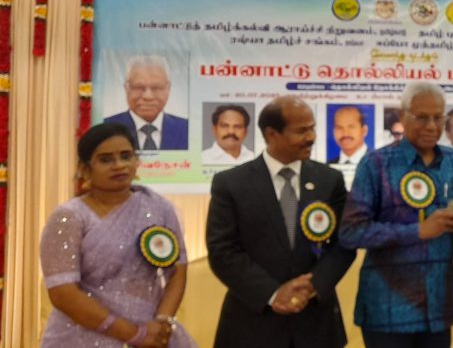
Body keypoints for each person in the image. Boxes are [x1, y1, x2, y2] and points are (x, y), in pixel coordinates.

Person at [206, 96, 355, 348]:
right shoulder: (231, 184)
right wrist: (273, 293)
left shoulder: (330, 180)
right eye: (301, 131)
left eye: (312, 128)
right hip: (252, 325)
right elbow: (223, 251)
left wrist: (313, 285)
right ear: (272, 134)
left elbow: (344, 243)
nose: (311, 137)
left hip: (316, 324)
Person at [40, 123, 196, 348]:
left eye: (126, 156)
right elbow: (62, 292)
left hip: (152, 337)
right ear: (84, 168)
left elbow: (177, 273)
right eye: (106, 160)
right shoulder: (69, 217)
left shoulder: (159, 208)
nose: (119, 165)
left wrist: (161, 325)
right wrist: (134, 334)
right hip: (81, 336)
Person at [338, 82, 453, 348]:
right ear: (402, 116)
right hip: (387, 311)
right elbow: (351, 232)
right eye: (422, 117)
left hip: (437, 310)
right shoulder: (376, 163)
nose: (431, 126)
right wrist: (417, 231)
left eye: (438, 117)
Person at [104, 55, 188, 151]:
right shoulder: (106, 127)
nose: (148, 96)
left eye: (156, 88)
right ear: (126, 88)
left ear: (168, 89)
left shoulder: (187, 129)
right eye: (139, 87)